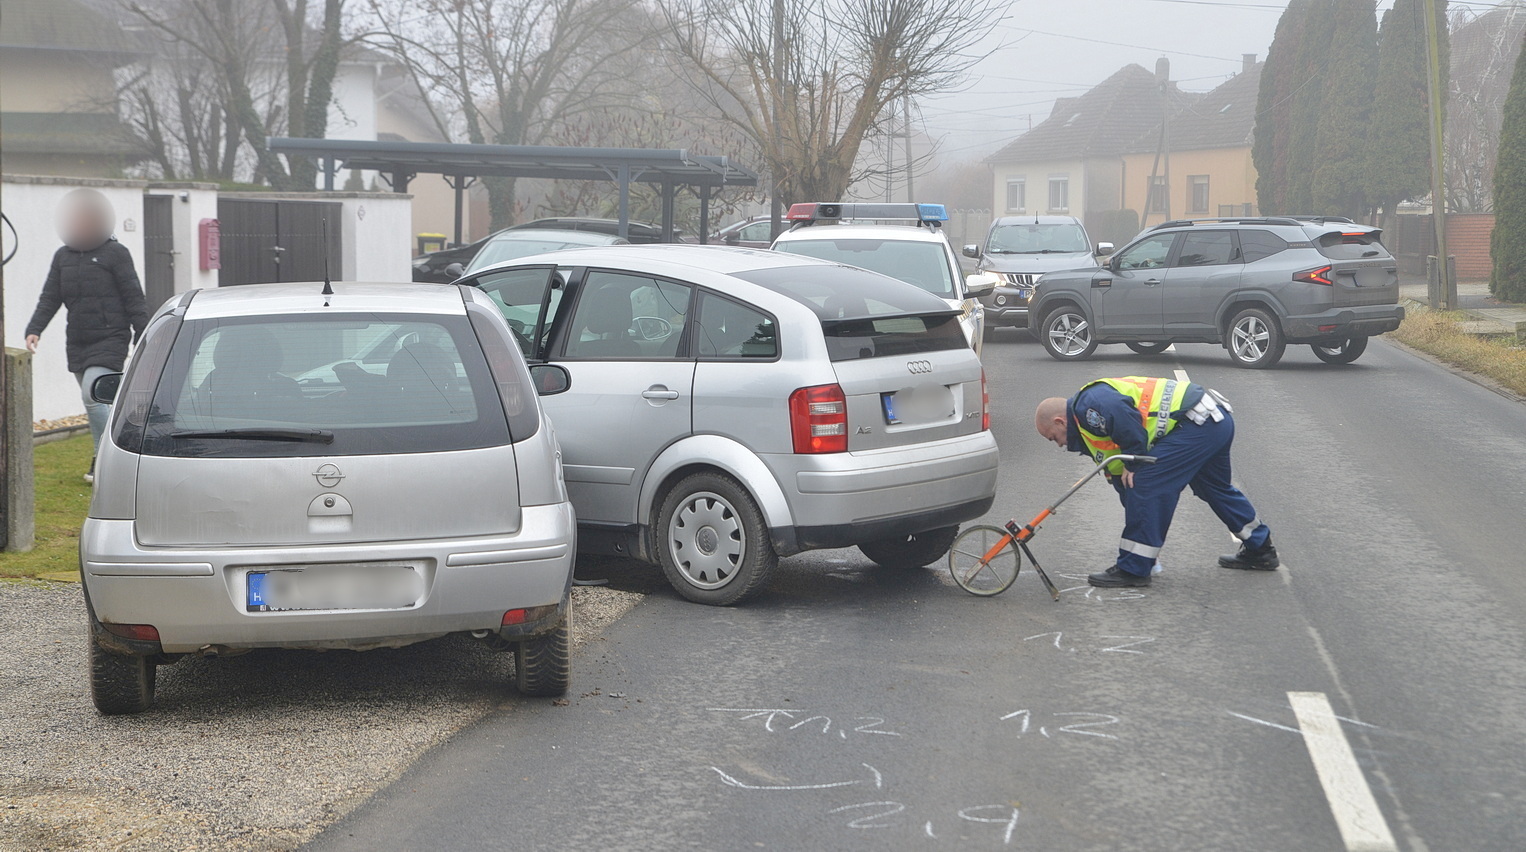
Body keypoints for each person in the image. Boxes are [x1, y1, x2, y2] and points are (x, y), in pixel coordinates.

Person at [1033, 376, 1278, 588]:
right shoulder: (1086, 425)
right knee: (1212, 488)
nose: (1060, 445)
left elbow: (1127, 426)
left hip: (1196, 423)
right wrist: (1140, 524)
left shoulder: (1088, 406)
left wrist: (1134, 467)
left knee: (1146, 482)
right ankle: (1261, 549)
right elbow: (1118, 474)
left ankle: (1134, 568)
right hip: (1214, 421)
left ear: (1059, 421)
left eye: (1054, 438)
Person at [25, 189, 150, 484]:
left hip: (111, 338)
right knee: (98, 402)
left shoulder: (116, 253)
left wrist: (143, 335)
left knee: (90, 395)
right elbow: (50, 296)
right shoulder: (63, 257)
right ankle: (107, 458)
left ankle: (110, 460)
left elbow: (134, 297)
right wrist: (34, 329)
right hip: (78, 341)